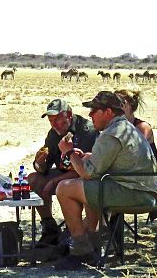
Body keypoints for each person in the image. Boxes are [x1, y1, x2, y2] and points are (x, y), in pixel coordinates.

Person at [55, 91, 157, 270]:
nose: (90, 115)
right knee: (88, 188)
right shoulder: (124, 128)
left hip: (135, 194)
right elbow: (106, 164)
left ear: (109, 112)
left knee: (64, 188)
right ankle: (92, 244)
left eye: (95, 110)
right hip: (144, 191)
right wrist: (88, 156)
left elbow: (88, 172)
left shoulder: (112, 133)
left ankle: (81, 251)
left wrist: (69, 152)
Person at [27, 99, 99, 248]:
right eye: (51, 120)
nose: (54, 124)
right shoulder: (54, 134)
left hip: (83, 175)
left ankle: (75, 230)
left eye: (58, 119)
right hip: (63, 172)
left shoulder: (87, 131)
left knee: (66, 185)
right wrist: (39, 163)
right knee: (33, 179)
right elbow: (44, 168)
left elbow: (85, 169)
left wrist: (54, 181)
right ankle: (49, 227)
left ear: (69, 116)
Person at [114, 89, 157, 161]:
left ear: (129, 106)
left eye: (120, 103)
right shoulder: (115, 126)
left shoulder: (142, 127)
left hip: (145, 169)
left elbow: (135, 149)